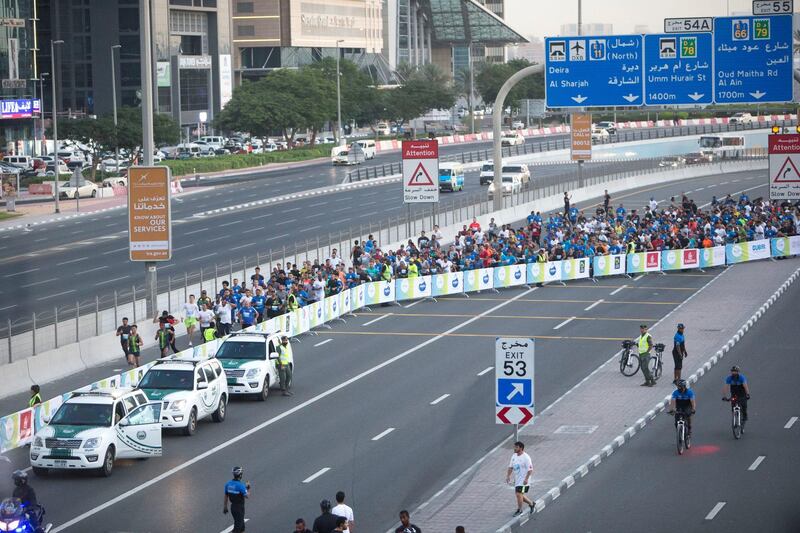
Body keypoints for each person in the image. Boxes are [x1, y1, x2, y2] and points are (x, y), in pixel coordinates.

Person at [506, 441, 534, 516]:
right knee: (519, 495)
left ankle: (519, 510)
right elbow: (510, 467)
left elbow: (530, 469)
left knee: (518, 494)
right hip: (517, 480)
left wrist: (526, 479)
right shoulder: (514, 456)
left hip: (524, 481)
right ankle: (531, 503)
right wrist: (508, 476)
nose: (514, 448)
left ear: (521, 448)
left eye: (516, 447)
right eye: (514, 447)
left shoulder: (526, 457)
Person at [223, 466, 250, 533]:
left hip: (233, 507)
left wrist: (225, 506)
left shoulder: (228, 484)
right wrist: (248, 488)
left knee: (241, 527)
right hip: (239, 508)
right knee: (237, 528)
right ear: (240, 475)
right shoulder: (240, 485)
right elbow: (247, 496)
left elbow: (226, 496)